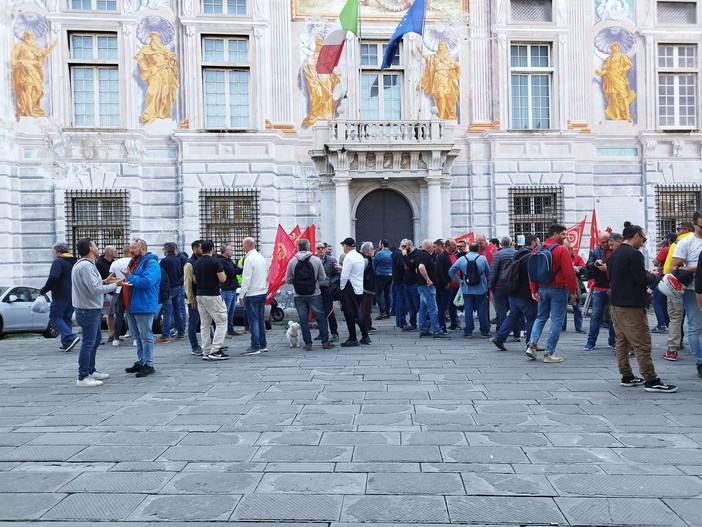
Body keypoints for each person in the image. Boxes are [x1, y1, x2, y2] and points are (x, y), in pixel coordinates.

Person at [608, 224, 677, 392]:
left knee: (622, 342)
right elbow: (641, 280)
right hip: (631, 305)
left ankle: (627, 375)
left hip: (616, 304)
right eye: (643, 239)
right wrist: (651, 275)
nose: (643, 243)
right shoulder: (634, 254)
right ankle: (651, 379)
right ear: (637, 235)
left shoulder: (614, 254)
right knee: (642, 343)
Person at [525, 224, 577, 363]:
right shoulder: (562, 250)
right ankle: (549, 352)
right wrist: (573, 291)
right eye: (563, 234)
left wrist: (533, 289)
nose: (565, 237)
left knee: (541, 317)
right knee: (557, 320)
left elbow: (532, 272)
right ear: (555, 234)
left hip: (542, 287)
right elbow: (569, 273)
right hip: (558, 289)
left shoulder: (537, 249)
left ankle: (531, 345)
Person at [71, 238, 119, 387]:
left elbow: (94, 285)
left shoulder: (85, 265)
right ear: (91, 248)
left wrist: (105, 281)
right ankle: (83, 376)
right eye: (95, 245)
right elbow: (95, 290)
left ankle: (90, 370)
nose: (98, 248)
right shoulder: (86, 266)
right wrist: (116, 285)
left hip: (89, 309)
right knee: (88, 342)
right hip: (87, 310)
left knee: (95, 340)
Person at [491, 234, 539, 351]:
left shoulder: (517, 254)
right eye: (538, 242)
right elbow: (532, 275)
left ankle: (499, 337)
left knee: (514, 314)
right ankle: (531, 344)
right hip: (524, 292)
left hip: (512, 290)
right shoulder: (530, 257)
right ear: (533, 243)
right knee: (532, 317)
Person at [669, 211, 702, 379]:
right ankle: (700, 362)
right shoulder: (686, 242)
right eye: (701, 225)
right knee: (695, 326)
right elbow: (673, 268)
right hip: (692, 289)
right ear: (695, 225)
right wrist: (697, 267)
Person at [286, 238, 334, 350]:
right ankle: (325, 342)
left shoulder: (292, 261)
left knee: (303, 319)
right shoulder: (316, 260)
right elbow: (323, 277)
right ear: (308, 247)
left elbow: (288, 279)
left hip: (299, 295)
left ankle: (308, 343)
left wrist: (298, 284)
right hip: (314, 293)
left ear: (298, 247)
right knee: (320, 317)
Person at [122, 238, 160, 378]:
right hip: (131, 305)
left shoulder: (151, 263)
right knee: (136, 336)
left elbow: (147, 282)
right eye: (131, 247)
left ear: (143, 249)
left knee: (146, 336)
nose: (130, 250)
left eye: (134, 248)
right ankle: (141, 361)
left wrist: (129, 277)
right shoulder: (133, 262)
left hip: (143, 304)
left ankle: (149, 364)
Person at [39, 242, 80, 352]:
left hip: (60, 294)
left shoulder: (58, 262)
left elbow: (53, 277)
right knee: (66, 318)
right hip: (73, 294)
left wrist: (43, 290)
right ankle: (66, 343)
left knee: (55, 316)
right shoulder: (74, 262)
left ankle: (70, 336)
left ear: (57, 251)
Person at [662, 222, 694, 360]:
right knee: (696, 320)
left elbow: (670, 267)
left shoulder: (678, 243)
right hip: (697, 285)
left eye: (679, 229)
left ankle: (672, 349)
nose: (677, 231)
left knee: (675, 317)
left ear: (685, 230)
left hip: (678, 285)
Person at [194, 240, 229, 361]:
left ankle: (206, 350)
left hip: (200, 295)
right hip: (213, 294)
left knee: (205, 324)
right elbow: (222, 278)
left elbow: (195, 280)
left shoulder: (197, 262)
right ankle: (216, 350)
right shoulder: (215, 262)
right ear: (212, 249)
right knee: (221, 320)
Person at [133, 31, 179, 124]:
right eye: (153, 36)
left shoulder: (163, 48)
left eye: (156, 36)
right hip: (154, 72)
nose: (154, 38)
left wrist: (172, 58)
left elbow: (170, 57)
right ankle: (149, 114)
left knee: (165, 93)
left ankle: (163, 112)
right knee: (152, 92)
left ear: (158, 38)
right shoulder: (146, 48)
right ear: (150, 37)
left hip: (165, 73)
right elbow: (141, 56)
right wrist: (138, 57)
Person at [11, 31, 56, 121]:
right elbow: (14, 59)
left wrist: (53, 45)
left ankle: (31, 107)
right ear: (24, 37)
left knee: (38, 91)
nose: (28, 37)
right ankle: (29, 111)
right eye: (26, 35)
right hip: (25, 70)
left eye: (30, 35)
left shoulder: (35, 48)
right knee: (28, 89)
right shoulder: (20, 46)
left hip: (34, 71)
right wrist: (21, 63)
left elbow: (44, 53)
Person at [449, 242, 491, 338]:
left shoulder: (461, 259)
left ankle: (468, 331)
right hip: (481, 288)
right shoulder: (482, 259)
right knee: (482, 310)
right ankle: (484, 331)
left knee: (468, 310)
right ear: (477, 249)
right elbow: (489, 273)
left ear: (469, 248)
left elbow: (451, 271)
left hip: (466, 288)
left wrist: (459, 281)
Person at [584, 232, 615, 351]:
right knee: (596, 315)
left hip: (613, 287)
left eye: (606, 241)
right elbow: (588, 264)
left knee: (614, 316)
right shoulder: (595, 251)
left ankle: (612, 341)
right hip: (599, 287)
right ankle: (591, 341)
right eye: (602, 242)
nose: (605, 244)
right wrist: (595, 264)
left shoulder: (616, 250)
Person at [338, 237, 371, 347]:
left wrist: (341, 288)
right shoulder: (359, 256)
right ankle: (365, 335)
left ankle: (353, 338)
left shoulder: (348, 257)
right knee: (356, 312)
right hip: (358, 288)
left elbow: (344, 275)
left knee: (349, 314)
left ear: (346, 246)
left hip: (349, 288)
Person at [239, 237, 269, 356]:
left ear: (246, 246)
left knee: (253, 321)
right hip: (262, 291)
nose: (242, 247)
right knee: (261, 320)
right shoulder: (261, 257)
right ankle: (263, 345)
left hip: (252, 293)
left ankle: (255, 346)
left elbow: (246, 278)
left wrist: (242, 294)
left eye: (243, 245)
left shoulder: (249, 259)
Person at [302, 35, 340, 127]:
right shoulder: (310, 59)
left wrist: (336, 73)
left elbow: (333, 70)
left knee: (328, 98)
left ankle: (327, 115)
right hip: (316, 81)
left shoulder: (327, 59)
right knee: (318, 94)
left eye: (321, 45)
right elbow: (307, 65)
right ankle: (316, 114)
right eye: (318, 45)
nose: (319, 47)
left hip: (327, 80)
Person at [418, 40, 460, 120]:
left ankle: (442, 115)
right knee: (439, 97)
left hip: (445, 78)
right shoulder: (434, 57)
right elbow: (427, 58)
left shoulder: (449, 57)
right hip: (437, 78)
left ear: (445, 46)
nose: (439, 47)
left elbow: (454, 67)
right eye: (439, 45)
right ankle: (441, 114)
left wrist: (447, 64)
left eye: (441, 45)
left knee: (443, 95)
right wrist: (418, 49)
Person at [416, 239, 450, 339]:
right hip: (427, 286)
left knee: (423, 308)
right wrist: (428, 279)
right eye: (433, 247)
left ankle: (423, 329)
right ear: (428, 247)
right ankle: (437, 330)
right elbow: (421, 267)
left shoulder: (420, 255)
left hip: (422, 285)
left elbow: (417, 268)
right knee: (433, 308)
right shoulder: (425, 256)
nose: (434, 248)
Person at [595, 41, 635, 122]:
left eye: (617, 46)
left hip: (619, 79)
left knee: (623, 96)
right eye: (614, 46)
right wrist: (601, 72)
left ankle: (627, 115)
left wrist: (621, 70)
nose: (615, 47)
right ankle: (617, 116)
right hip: (610, 78)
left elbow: (628, 65)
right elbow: (606, 69)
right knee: (614, 98)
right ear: (611, 48)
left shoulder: (622, 56)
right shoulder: (609, 59)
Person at [489, 236, 517, 336]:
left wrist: (490, 285)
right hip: (513, 287)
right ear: (511, 243)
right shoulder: (516, 254)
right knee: (515, 310)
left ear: (501, 244)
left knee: (501, 311)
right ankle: (517, 333)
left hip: (499, 287)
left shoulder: (497, 255)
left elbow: (493, 271)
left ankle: (501, 333)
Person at [158, 242, 185, 343]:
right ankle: (181, 332)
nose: (163, 251)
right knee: (178, 310)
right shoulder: (177, 259)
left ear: (166, 249)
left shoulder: (165, 261)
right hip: (178, 286)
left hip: (169, 288)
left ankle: (165, 335)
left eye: (163, 249)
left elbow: (160, 274)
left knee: (167, 312)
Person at [651, 232, 676, 333]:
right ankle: (666, 322)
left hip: (662, 277)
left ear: (669, 240)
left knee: (656, 301)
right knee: (664, 301)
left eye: (665, 238)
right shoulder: (676, 248)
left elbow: (656, 262)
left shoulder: (666, 249)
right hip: (672, 278)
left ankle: (661, 325)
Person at [215, 244, 242, 337]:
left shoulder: (229, 260)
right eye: (230, 250)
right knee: (225, 312)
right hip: (226, 289)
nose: (232, 252)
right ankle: (224, 331)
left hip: (232, 289)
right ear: (225, 251)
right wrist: (238, 268)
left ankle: (230, 329)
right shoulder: (221, 261)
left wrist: (238, 269)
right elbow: (231, 272)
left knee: (231, 312)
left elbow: (236, 270)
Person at [315, 242, 339, 342]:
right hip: (316, 290)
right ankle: (322, 332)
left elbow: (337, 274)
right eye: (318, 248)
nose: (321, 250)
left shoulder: (331, 260)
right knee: (319, 312)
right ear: (316, 250)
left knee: (329, 311)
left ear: (325, 249)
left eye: (322, 248)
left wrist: (330, 282)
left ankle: (334, 333)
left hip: (327, 290)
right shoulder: (313, 260)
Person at [109, 244, 133, 346]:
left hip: (118, 290)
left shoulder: (115, 263)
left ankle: (116, 338)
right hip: (131, 290)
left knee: (118, 315)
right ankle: (135, 338)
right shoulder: (133, 262)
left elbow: (111, 278)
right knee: (132, 314)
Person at [435, 238, 460, 332]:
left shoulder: (454, 255)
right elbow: (438, 271)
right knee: (443, 307)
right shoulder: (442, 256)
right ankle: (442, 326)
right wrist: (445, 283)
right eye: (454, 245)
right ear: (447, 246)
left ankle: (454, 324)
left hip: (455, 286)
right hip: (446, 286)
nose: (456, 246)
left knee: (453, 306)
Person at [184, 240, 204, 355]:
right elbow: (187, 283)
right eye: (201, 248)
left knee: (205, 321)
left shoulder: (199, 261)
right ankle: (194, 345)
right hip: (193, 298)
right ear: (195, 249)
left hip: (201, 296)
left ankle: (210, 342)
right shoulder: (189, 264)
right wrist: (191, 299)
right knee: (193, 322)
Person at [562, 241, 585, 333]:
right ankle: (562, 326)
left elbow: (583, 269)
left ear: (571, 249)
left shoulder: (577, 257)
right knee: (562, 307)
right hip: (563, 285)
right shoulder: (561, 257)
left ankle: (579, 326)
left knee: (577, 307)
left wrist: (573, 268)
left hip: (575, 287)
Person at [401, 239, 421, 332]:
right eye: (402, 246)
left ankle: (423, 323)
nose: (403, 248)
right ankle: (412, 323)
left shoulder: (416, 254)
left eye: (404, 246)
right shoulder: (405, 255)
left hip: (414, 283)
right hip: (406, 283)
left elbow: (411, 265)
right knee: (410, 306)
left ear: (410, 245)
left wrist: (405, 256)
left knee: (418, 305)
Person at [373, 239, 393, 320]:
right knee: (387, 293)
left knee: (378, 293)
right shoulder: (391, 253)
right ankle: (388, 312)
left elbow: (375, 263)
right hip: (390, 274)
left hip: (380, 274)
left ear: (382, 244)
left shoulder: (379, 253)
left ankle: (382, 311)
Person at [359, 241, 377, 331]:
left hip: (369, 287)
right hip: (366, 287)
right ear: (367, 250)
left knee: (367, 307)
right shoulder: (365, 260)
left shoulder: (369, 259)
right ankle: (365, 326)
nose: (373, 250)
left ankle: (368, 325)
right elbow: (360, 272)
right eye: (372, 248)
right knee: (365, 308)